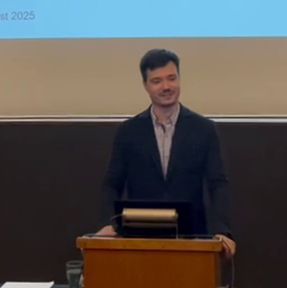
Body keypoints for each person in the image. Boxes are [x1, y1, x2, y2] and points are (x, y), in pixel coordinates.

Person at [96, 49, 236, 258]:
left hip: (193, 238)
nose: (166, 87)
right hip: (140, 238)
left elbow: (218, 183)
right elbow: (111, 184)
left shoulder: (204, 129)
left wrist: (222, 230)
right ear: (146, 86)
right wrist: (111, 225)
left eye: (172, 78)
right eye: (157, 81)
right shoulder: (129, 132)